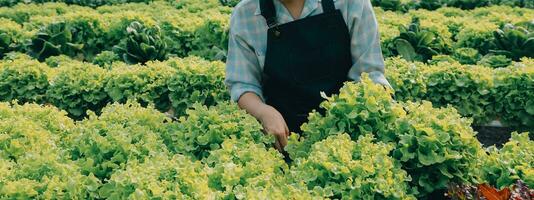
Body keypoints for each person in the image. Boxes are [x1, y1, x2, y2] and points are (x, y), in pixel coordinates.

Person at [225, 0, 390, 151]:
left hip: (347, 135)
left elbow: (369, 77)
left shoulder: (352, 3)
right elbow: (243, 85)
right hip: (283, 139)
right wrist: (263, 112)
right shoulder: (245, 15)